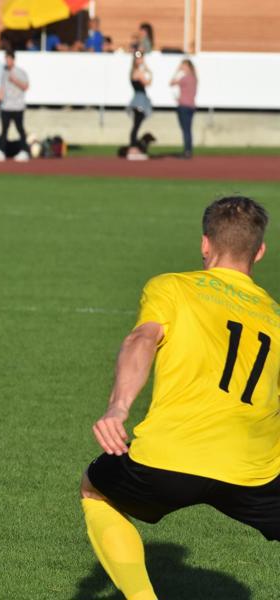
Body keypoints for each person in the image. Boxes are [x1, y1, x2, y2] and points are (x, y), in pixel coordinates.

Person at [81, 196, 280, 600]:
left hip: (169, 459)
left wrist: (118, 408)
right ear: (259, 250)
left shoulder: (171, 286)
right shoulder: (275, 315)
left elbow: (142, 339)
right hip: (255, 469)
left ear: (206, 244)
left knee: (94, 489)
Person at [0, 49, 30, 162]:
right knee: (4, 130)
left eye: (8, 59)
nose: (7, 61)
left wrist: (15, 80)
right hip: (6, 106)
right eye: (6, 59)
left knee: (20, 129)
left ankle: (24, 151)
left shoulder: (20, 72)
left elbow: (25, 87)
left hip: (17, 106)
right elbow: (1, 88)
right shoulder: (3, 72)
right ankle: (1, 151)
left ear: (13, 59)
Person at [127, 51, 152, 158]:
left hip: (138, 100)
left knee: (136, 125)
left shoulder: (134, 71)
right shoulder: (138, 72)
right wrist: (148, 70)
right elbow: (148, 83)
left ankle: (134, 148)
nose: (141, 60)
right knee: (136, 126)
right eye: (140, 58)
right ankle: (133, 149)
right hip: (139, 101)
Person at [170, 58, 197, 159]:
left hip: (184, 106)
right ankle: (188, 150)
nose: (182, 67)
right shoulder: (194, 78)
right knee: (188, 130)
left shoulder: (185, 78)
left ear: (188, 67)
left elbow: (171, 83)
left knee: (185, 130)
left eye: (183, 65)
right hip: (191, 106)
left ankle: (187, 151)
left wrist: (177, 71)